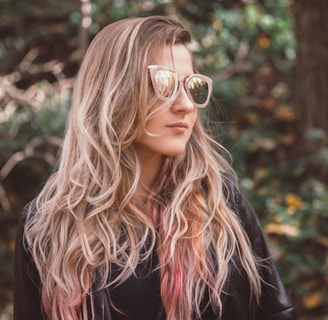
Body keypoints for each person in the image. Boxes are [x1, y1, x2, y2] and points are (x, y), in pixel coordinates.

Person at [14, 15, 297, 320]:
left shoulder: (220, 208)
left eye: (193, 86)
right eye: (164, 83)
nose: (186, 104)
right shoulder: (45, 228)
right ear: (114, 92)